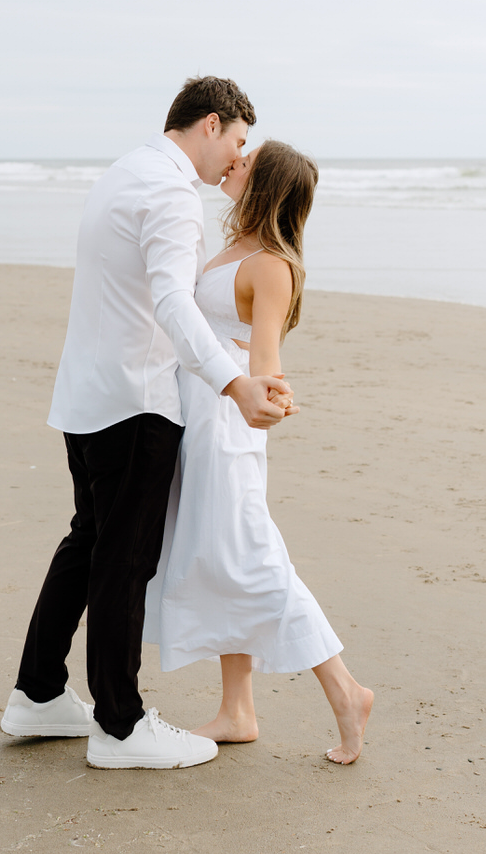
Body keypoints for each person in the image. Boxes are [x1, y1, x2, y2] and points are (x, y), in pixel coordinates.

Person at [0, 77, 295, 771]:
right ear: (211, 124)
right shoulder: (169, 192)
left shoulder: (125, 170)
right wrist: (233, 381)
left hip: (87, 393)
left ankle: (38, 692)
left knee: (91, 541)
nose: (236, 159)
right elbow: (169, 298)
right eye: (238, 142)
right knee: (123, 558)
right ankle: (121, 725)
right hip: (134, 400)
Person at [144, 139, 374, 764]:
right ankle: (236, 709)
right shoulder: (233, 250)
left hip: (225, 425)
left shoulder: (270, 264)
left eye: (246, 161)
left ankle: (347, 692)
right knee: (220, 559)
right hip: (199, 415)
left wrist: (271, 394)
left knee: (250, 558)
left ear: (265, 183)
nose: (233, 164)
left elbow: (264, 354)